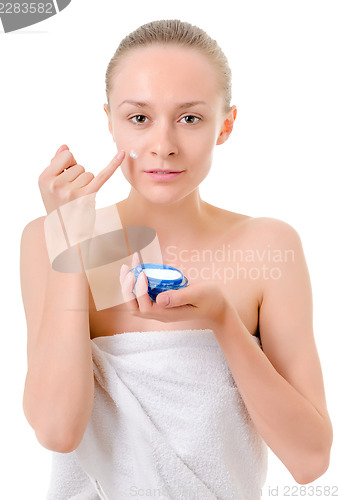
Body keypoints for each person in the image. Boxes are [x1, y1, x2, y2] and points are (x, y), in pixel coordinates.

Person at [20, 19, 333, 499]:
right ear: (110, 121)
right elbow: (57, 432)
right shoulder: (50, 238)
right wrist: (70, 242)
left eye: (189, 118)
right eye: (139, 118)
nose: (162, 145)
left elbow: (310, 461)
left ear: (225, 124)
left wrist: (223, 323)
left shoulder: (267, 243)